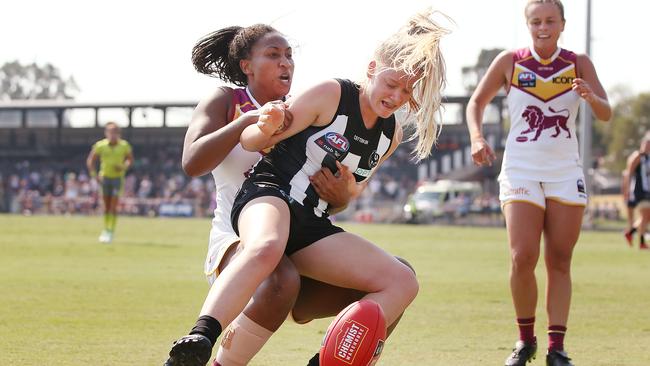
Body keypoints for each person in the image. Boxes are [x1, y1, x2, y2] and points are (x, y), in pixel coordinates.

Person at [169, 9, 449, 366]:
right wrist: (258, 123)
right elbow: (241, 145)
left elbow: (346, 192)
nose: (396, 96)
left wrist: (344, 196)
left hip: (308, 225)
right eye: (274, 55)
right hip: (262, 206)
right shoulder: (303, 95)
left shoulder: (389, 133)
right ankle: (201, 337)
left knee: (403, 280)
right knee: (271, 255)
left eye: (407, 91)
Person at [466, 1, 612, 365]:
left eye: (550, 21)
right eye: (536, 21)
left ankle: (557, 348)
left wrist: (590, 97)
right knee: (522, 256)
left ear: (563, 23)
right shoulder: (510, 61)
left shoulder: (578, 61)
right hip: (521, 170)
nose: (543, 27)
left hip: (565, 172)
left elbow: (606, 112)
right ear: (526, 24)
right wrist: (477, 138)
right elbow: (476, 103)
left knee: (560, 260)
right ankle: (524, 340)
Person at [86, 122, 134, 243]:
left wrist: (123, 167)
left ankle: (111, 230)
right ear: (106, 133)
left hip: (117, 179)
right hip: (105, 178)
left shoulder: (124, 146)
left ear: (118, 134)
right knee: (106, 206)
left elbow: (130, 160)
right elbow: (91, 160)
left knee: (113, 205)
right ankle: (106, 229)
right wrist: (94, 175)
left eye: (115, 133)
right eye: (110, 132)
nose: (112, 135)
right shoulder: (100, 145)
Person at [622, 132, 650, 249]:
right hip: (639, 190)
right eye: (647, 143)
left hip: (647, 190)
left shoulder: (647, 158)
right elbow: (629, 173)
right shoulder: (638, 156)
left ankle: (631, 232)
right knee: (645, 215)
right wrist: (626, 190)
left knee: (646, 217)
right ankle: (642, 242)